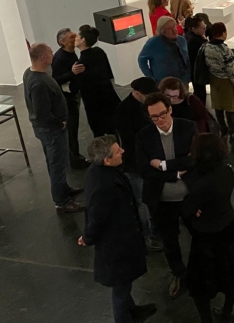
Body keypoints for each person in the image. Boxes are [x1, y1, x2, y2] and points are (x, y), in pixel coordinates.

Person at [78, 136, 157, 323]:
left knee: (124, 284)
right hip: (117, 246)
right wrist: (88, 237)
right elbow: (96, 216)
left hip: (121, 241)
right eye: (117, 150)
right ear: (106, 159)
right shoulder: (104, 186)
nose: (122, 151)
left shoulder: (102, 172)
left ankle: (132, 310)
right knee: (121, 289)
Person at [182, 133, 234, 323]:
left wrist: (196, 210)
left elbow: (186, 210)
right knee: (231, 278)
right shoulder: (227, 171)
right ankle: (226, 312)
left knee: (200, 288)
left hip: (207, 239)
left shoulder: (203, 184)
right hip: (229, 229)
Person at [136, 92, 197, 298]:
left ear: (170, 109)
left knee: (199, 235)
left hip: (189, 196)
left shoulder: (188, 127)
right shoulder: (143, 136)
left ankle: (200, 273)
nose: (160, 120)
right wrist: (175, 173)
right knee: (169, 242)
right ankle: (179, 274)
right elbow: (144, 169)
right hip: (161, 201)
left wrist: (162, 166)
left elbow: (193, 160)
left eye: (163, 114)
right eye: (154, 117)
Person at [24, 44, 85, 213]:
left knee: (55, 162)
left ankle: (63, 190)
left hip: (46, 130)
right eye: (50, 53)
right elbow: (41, 113)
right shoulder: (39, 83)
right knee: (57, 164)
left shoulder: (30, 73)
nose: (53, 55)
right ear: (43, 57)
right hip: (52, 130)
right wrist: (60, 123)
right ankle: (62, 201)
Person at [113, 76, 162, 252]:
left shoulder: (148, 103)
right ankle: (147, 237)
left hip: (151, 160)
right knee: (142, 202)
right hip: (135, 163)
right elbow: (129, 141)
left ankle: (154, 229)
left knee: (152, 198)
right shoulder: (123, 110)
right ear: (137, 93)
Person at [52, 27, 90, 169]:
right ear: (62, 42)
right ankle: (73, 159)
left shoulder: (72, 54)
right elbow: (55, 79)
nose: (75, 39)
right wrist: (71, 73)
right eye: (71, 37)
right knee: (71, 129)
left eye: (75, 36)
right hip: (66, 99)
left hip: (73, 95)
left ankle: (74, 157)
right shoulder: (60, 58)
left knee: (73, 128)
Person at [75, 25, 121, 136]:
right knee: (113, 130)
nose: (74, 39)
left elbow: (80, 84)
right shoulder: (99, 52)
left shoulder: (81, 63)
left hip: (94, 103)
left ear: (83, 40)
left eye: (77, 36)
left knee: (99, 131)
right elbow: (109, 74)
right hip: (108, 96)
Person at [203, 22, 234, 137]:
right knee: (229, 106)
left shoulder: (207, 47)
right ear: (223, 33)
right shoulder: (225, 50)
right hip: (226, 80)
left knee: (218, 105)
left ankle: (222, 127)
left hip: (214, 79)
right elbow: (231, 70)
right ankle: (233, 128)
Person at [138, 17, 191, 84]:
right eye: (169, 29)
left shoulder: (182, 40)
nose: (174, 30)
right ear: (162, 31)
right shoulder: (153, 43)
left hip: (182, 81)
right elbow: (141, 60)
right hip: (164, 84)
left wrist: (188, 75)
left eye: (174, 26)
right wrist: (151, 77)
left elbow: (187, 59)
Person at [184, 14, 209, 104]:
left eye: (204, 27)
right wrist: (205, 40)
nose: (204, 29)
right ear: (194, 29)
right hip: (197, 70)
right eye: (202, 28)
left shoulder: (189, 35)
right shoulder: (195, 41)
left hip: (194, 69)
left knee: (199, 91)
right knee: (200, 92)